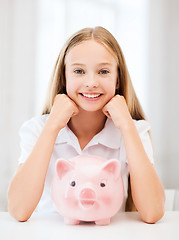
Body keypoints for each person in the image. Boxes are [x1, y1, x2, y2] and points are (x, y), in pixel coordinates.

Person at [8, 26, 165, 223]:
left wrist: (126, 126)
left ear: (118, 79)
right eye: (79, 71)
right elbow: (18, 209)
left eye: (103, 71)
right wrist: (53, 125)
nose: (91, 82)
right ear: (64, 77)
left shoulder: (134, 131)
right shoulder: (37, 129)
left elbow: (153, 213)